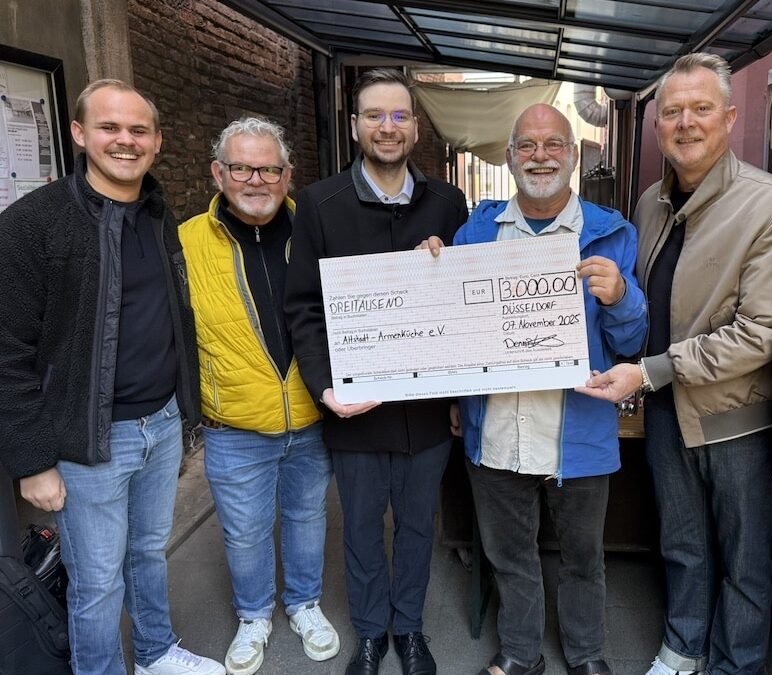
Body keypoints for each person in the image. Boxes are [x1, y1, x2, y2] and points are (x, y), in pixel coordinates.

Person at [578, 53, 772, 675]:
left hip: (736, 419)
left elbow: (761, 333)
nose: (685, 123)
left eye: (701, 109)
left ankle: (735, 664)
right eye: (671, 112)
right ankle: (683, 648)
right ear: (656, 127)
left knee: (746, 559)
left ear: (729, 117)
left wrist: (650, 373)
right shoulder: (649, 202)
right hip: (668, 410)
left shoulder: (768, 205)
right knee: (680, 542)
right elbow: (642, 303)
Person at [0, 79, 223, 675]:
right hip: (86, 440)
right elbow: (6, 352)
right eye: (109, 128)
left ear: (155, 142)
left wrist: (186, 407)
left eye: (138, 130)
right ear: (79, 134)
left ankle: (154, 652)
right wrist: (31, 460)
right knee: (96, 582)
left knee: (148, 554)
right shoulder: (32, 225)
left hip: (162, 423)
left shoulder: (157, 213)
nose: (125, 140)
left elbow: (171, 315)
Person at [430, 102, 647, 675]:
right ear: (509, 158)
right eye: (527, 145)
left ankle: (586, 654)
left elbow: (633, 341)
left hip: (577, 429)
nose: (540, 156)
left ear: (574, 157)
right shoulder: (475, 234)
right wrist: (431, 271)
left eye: (554, 145)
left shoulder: (612, 233)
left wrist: (622, 296)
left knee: (582, 557)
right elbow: (456, 330)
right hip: (497, 426)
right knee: (510, 555)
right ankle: (522, 655)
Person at [284, 68, 467, 675]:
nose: (387, 127)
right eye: (374, 116)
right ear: (356, 126)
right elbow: (305, 307)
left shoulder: (447, 203)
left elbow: (464, 304)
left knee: (418, 526)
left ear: (415, 128)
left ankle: (409, 628)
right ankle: (369, 631)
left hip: (426, 410)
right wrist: (324, 388)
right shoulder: (319, 204)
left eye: (399, 116)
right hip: (355, 405)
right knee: (361, 528)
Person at [178, 117, 339, 675]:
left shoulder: (317, 228)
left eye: (269, 168)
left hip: (311, 412)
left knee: (306, 515)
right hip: (235, 423)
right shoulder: (186, 242)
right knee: (244, 531)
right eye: (242, 167)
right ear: (219, 173)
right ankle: (253, 616)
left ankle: (304, 604)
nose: (256, 179)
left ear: (287, 175)